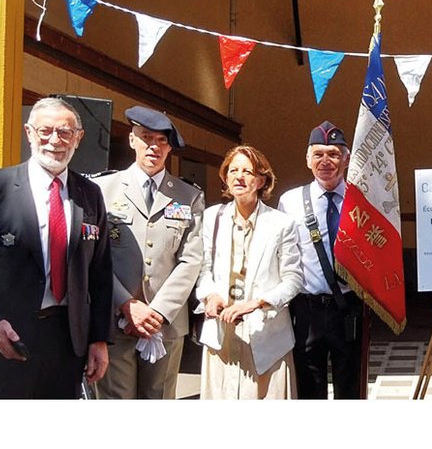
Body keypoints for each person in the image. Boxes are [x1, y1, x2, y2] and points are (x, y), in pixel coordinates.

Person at [0, 96, 112, 399]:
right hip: (5, 339)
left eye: (64, 132)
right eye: (45, 131)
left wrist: (98, 339)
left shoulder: (90, 195)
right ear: (29, 133)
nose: (54, 141)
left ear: (79, 138)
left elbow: (99, 273)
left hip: (67, 343)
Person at [91, 105, 204, 399]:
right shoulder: (102, 189)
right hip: (117, 322)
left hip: (165, 326)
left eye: (161, 140)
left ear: (169, 148)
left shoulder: (188, 196)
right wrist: (128, 305)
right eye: (146, 137)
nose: (153, 146)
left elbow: (191, 260)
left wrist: (158, 312)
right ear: (132, 140)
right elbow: (94, 257)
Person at [195, 145, 303, 399]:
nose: (239, 177)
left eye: (247, 171)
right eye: (233, 170)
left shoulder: (281, 223)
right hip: (222, 334)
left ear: (261, 180)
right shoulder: (212, 217)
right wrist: (211, 296)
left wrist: (256, 303)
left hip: (265, 335)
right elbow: (203, 268)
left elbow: (293, 279)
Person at [277, 121, 368, 399]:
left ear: (346, 159)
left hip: (349, 306)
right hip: (307, 309)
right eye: (318, 154)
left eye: (333, 153)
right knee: (308, 387)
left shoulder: (362, 200)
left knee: (350, 386)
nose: (326, 161)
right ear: (308, 159)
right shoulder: (289, 202)